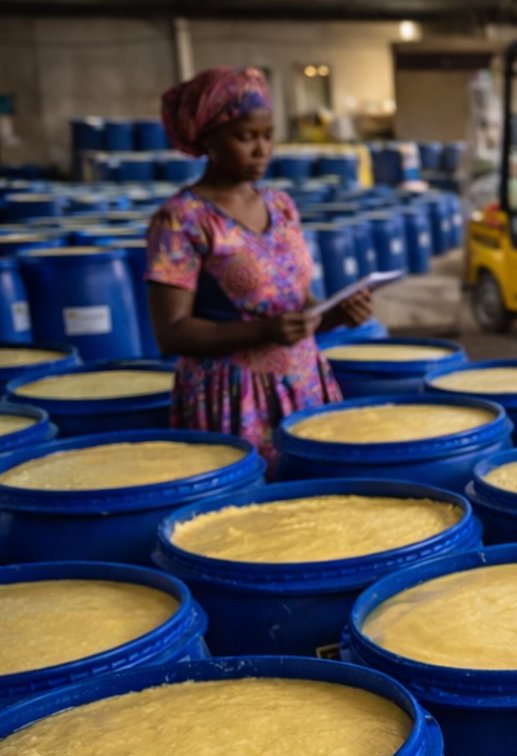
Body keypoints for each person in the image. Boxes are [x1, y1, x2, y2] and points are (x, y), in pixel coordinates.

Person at [145, 67, 372, 468]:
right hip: (233, 399)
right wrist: (263, 332)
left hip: (303, 384)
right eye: (245, 137)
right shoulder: (182, 220)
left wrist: (335, 313)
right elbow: (171, 332)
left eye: (268, 136)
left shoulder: (281, 206)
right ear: (209, 139)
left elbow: (298, 305)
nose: (261, 149)